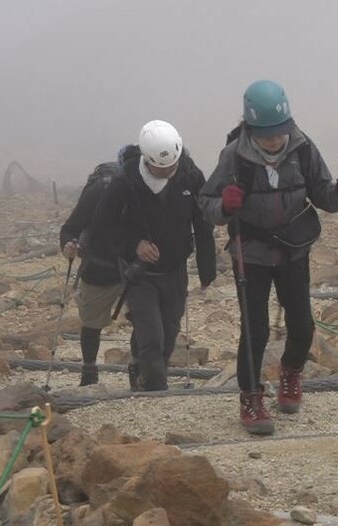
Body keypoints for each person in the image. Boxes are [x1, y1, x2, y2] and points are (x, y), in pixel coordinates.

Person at [200, 80, 338, 435]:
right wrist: (224, 205)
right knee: (253, 329)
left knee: (302, 325)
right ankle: (251, 396)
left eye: (279, 132)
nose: (274, 140)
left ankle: (291, 372)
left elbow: (323, 195)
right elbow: (205, 203)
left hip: (293, 249)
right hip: (251, 253)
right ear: (250, 128)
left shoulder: (302, 148)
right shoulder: (234, 156)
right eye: (265, 134)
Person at [94, 120, 217, 391]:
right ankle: (155, 388)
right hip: (139, 274)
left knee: (170, 330)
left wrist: (207, 270)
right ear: (147, 161)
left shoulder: (190, 176)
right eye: (161, 169)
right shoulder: (125, 182)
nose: (168, 172)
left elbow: (203, 223)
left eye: (171, 167)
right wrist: (134, 244)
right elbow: (103, 226)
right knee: (152, 334)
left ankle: (141, 370)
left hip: (175, 270)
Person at [59, 158, 125, 386]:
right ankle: (140, 372)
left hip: (106, 267)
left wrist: (69, 243)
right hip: (111, 267)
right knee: (94, 322)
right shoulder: (100, 191)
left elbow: (70, 228)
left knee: (93, 323)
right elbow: (71, 228)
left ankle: (89, 373)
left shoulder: (140, 187)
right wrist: (68, 242)